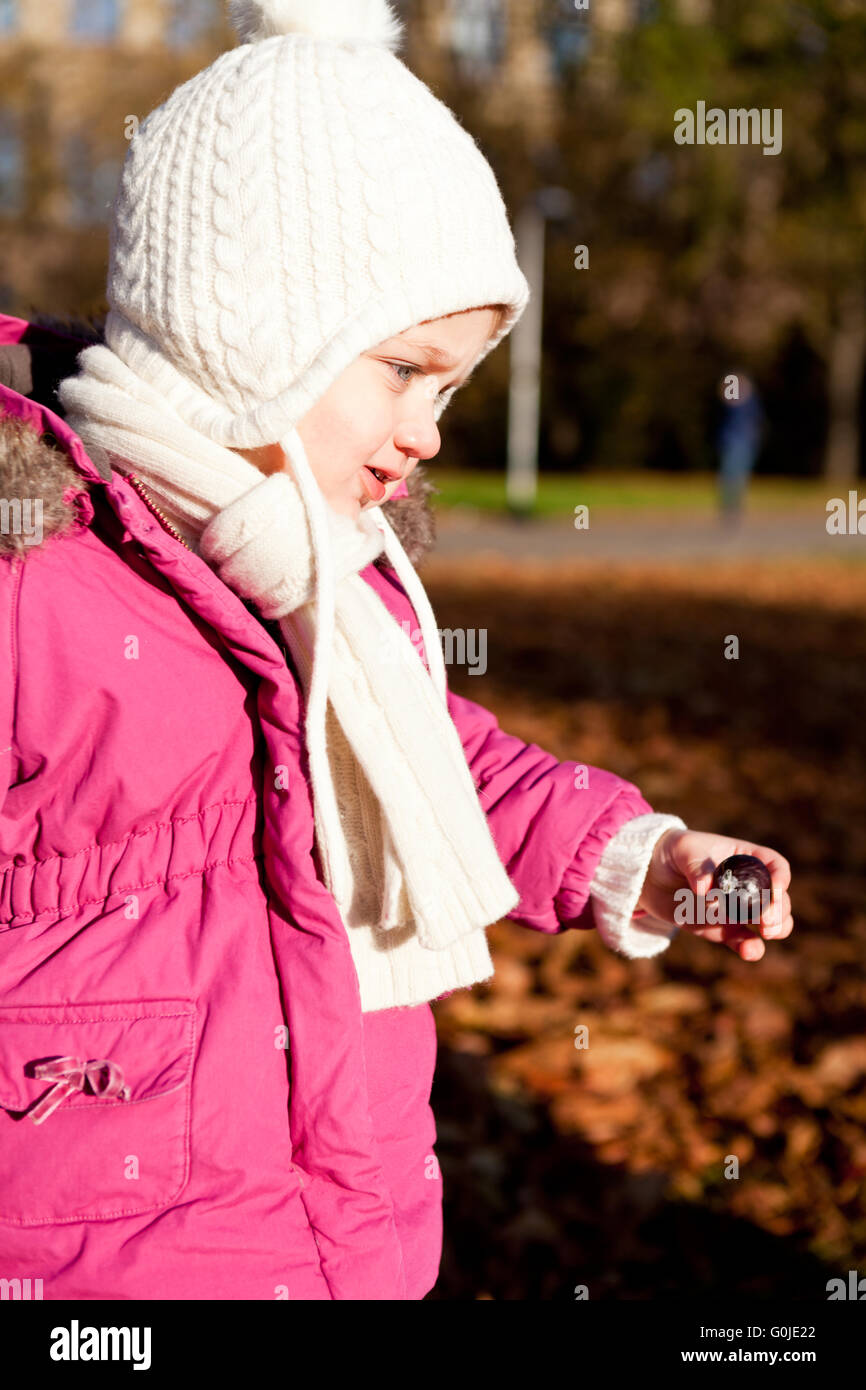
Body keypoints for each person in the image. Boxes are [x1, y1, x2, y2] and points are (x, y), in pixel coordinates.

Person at [0, 1, 793, 1301]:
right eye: (403, 369)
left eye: (451, 388)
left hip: (337, 1231)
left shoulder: (325, 573)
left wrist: (633, 856)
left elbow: (440, 758)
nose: (425, 429)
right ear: (249, 331)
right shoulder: (32, 567)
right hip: (103, 1259)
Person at [716, 369, 765, 526]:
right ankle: (729, 508)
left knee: (736, 477)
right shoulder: (735, 405)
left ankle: (734, 509)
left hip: (741, 443)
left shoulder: (748, 403)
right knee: (729, 476)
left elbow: (756, 422)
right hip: (733, 442)